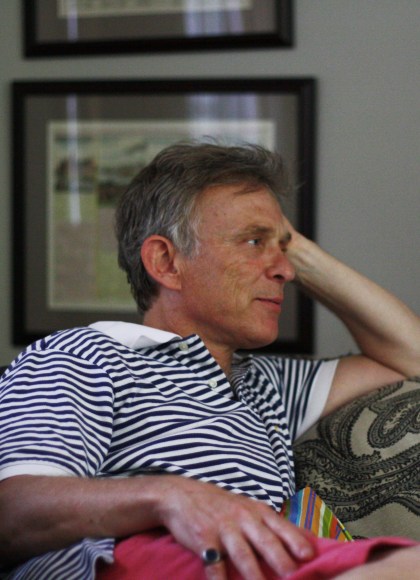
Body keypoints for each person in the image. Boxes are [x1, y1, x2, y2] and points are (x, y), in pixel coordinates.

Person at [0, 142, 419, 579]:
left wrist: (299, 250)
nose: (286, 271)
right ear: (166, 262)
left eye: (283, 249)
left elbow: (410, 356)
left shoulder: (267, 384)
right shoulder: (84, 355)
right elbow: (12, 512)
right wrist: (171, 498)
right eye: (253, 241)